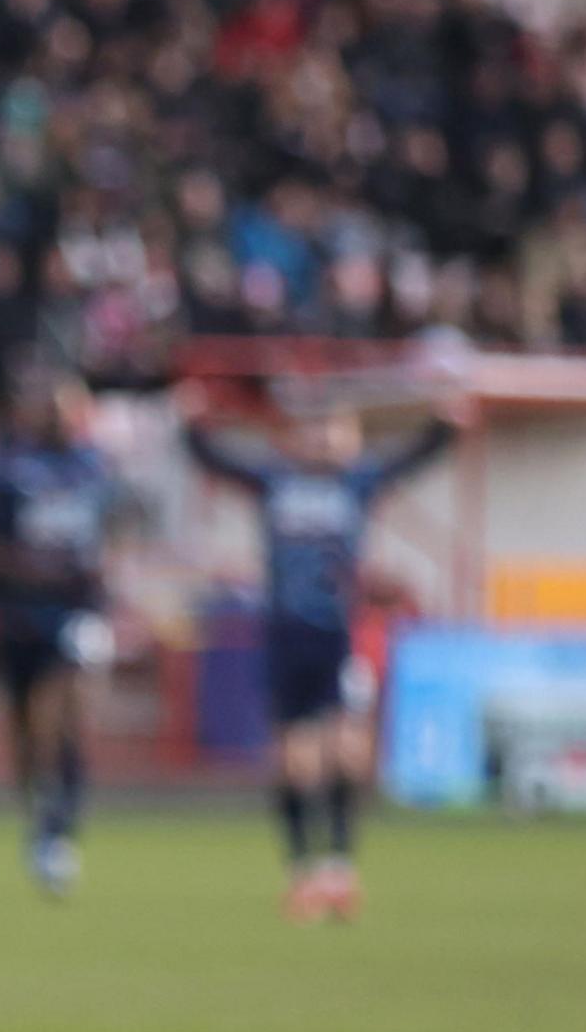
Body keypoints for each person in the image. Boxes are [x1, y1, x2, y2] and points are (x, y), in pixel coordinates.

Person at [187, 396, 457, 923]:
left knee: (348, 749)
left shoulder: (356, 482)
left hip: (340, 634)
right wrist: (192, 422)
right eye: (315, 430)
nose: (325, 440)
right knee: (293, 758)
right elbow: (216, 460)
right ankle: (301, 869)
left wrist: (445, 424)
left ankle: (339, 869)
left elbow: (416, 457)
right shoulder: (275, 482)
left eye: (336, 429)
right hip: (286, 632)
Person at [0, 377, 129, 898]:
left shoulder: (98, 469)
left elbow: (119, 529)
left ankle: (60, 831)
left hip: (77, 612)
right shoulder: (10, 471)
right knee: (28, 733)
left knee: (69, 713)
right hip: (20, 612)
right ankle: (42, 813)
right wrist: (28, 570)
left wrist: (107, 566)